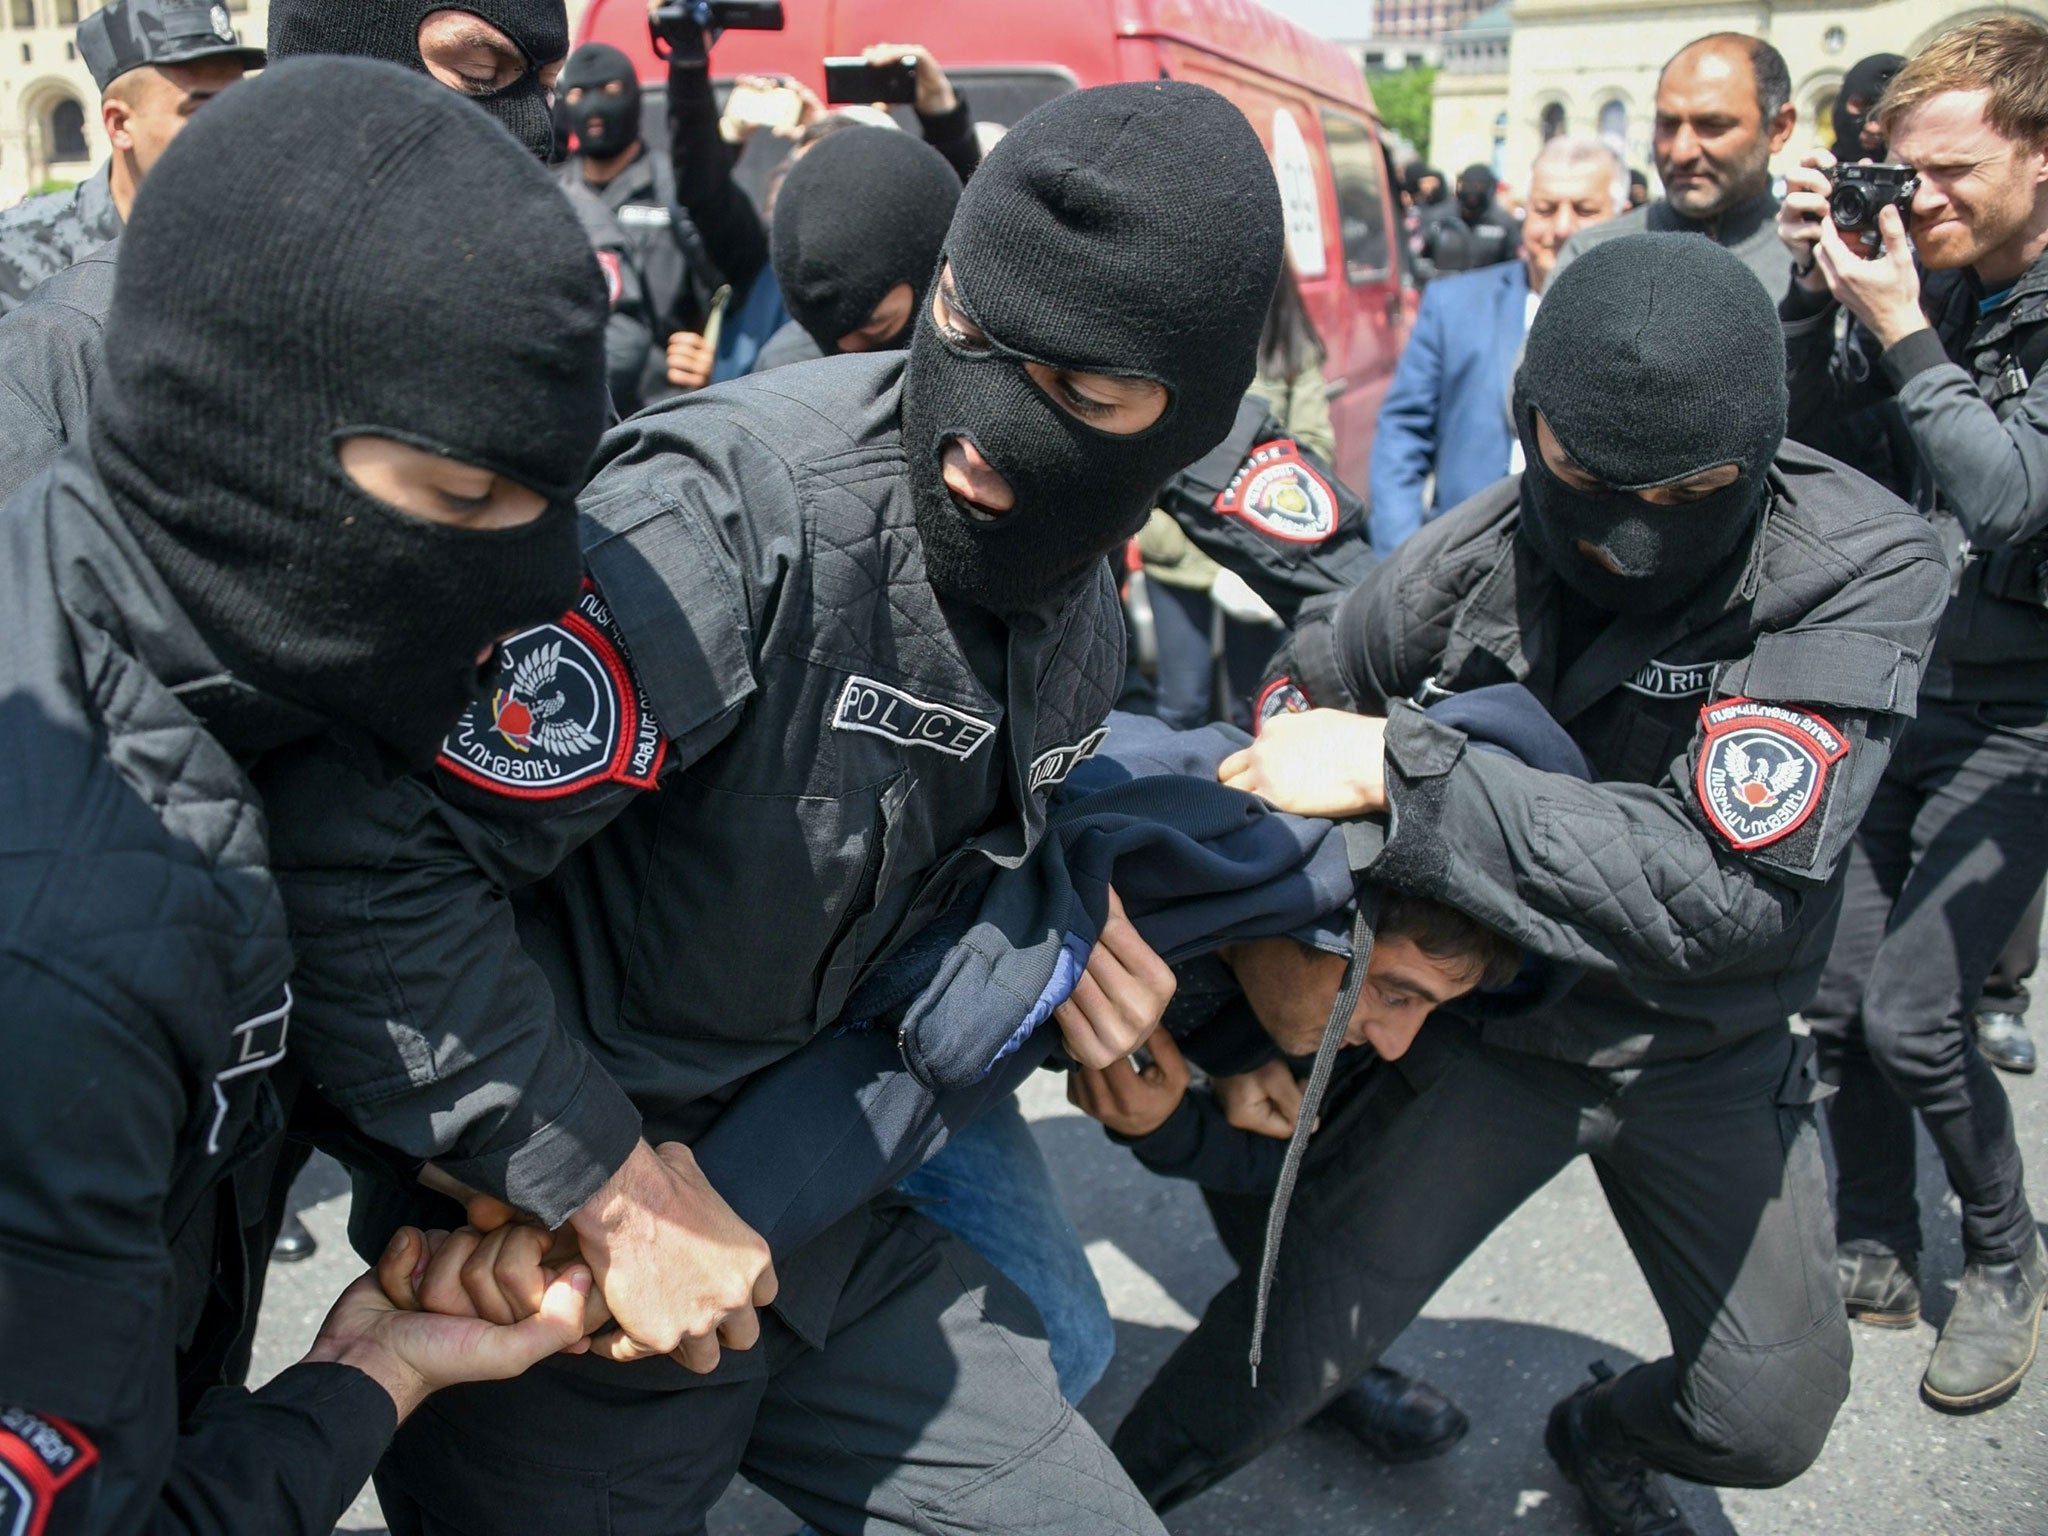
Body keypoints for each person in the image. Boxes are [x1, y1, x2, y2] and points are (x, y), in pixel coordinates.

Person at [259, 80, 1283, 1535]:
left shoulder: (1081, 621)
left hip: (813, 1221)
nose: (984, 436)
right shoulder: (732, 520)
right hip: (551, 1268)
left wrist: (1052, 936)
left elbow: (928, 933)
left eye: (1083, 396)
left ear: (1189, 419)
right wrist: (605, 1187)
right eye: (971, 339)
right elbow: (362, 866)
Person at [1109, 233, 1950, 1536]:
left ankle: (1600, 1434)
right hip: (1497, 1036)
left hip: (1703, 1051)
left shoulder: (1853, 563)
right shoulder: (1477, 552)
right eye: (1581, 476)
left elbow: (1724, 895)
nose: (1622, 536)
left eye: (1687, 491)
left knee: (1767, 1416)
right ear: (1531, 427)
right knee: (1273, 1359)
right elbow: (1309, 696)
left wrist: (1413, 774)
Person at [0, 56, 621, 1536]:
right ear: (241, 424)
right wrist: (368, 1387)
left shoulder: (178, 634)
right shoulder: (70, 952)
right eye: (460, 505)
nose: (511, 592)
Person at [1777, 13, 2048, 1412]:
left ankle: (2007, 1255)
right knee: (1835, 1001)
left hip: (2022, 716)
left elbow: (2005, 500)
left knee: (1916, 1015)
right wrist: (1822, 291)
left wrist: (1898, 322)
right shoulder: (1930, 282)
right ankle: (1877, 1240)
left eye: (1950, 174)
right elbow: (1822, 446)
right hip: (1902, 684)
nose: (1919, 200)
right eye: (1902, 172)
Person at [0, 0, 573, 507]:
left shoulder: (529, 313)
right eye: (476, 74)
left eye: (547, 89)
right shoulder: (74, 342)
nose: (533, 131)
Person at [660, 23, 983, 392]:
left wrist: (944, 116)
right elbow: (701, 194)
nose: (812, 193)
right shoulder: (760, 265)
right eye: (799, 172)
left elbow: (963, 229)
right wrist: (692, 69)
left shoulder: (923, 320)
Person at [1370, 135, 1622, 554]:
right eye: (1545, 209)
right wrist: (1401, 560)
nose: (1561, 228)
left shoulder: (1643, 321)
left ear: (1621, 215)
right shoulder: (1453, 306)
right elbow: (1402, 434)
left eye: (1584, 210)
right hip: (1461, 563)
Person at [1136, 262, 1336, 730]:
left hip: (1255, 558)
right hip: (1176, 551)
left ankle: (1244, 802)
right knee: (1181, 706)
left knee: (1257, 711)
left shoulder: (1288, 340)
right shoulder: (1176, 328)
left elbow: (1316, 445)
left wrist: (1256, 470)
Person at [0, 0, 260, 315]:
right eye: (200, 111)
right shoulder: (15, 255)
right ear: (120, 124)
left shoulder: (261, 236)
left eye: (239, 103)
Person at [1556, 33, 1796, 298]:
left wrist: (1808, 302)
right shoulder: (1592, 259)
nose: (1682, 152)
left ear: (1778, 128)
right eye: (1667, 125)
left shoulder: (1824, 267)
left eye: (1712, 125)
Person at [556, 40, 721, 408]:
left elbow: (726, 286)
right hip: (570, 401)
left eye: (609, 91)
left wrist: (715, 356)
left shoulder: (675, 189)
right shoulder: (549, 193)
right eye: (579, 94)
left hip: (659, 406)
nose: (594, 108)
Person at [750, 123, 962, 373]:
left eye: (877, 328)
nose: (847, 353)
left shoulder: (995, 364)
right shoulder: (784, 370)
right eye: (818, 331)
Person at [1418, 163, 1520, 276]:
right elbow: (1421, 254)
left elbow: (1512, 264)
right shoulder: (1441, 218)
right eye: (1467, 185)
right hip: (1446, 285)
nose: (1471, 191)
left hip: (1485, 288)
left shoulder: (1502, 224)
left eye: (1478, 186)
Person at [1832, 53, 1907, 163]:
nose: (1873, 128)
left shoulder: (1926, 179)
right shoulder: (1818, 173)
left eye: (1891, 112)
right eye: (1861, 106)